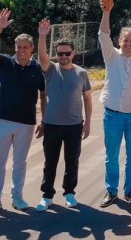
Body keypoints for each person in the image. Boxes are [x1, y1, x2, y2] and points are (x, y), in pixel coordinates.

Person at [0, 9, 46, 216]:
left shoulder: (38, 68)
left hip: (26, 122)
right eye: (18, 47)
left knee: (20, 163)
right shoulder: (6, 63)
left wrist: (44, 120)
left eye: (25, 47)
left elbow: (44, 96)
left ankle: (17, 197)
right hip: (3, 121)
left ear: (32, 49)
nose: (21, 50)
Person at [35, 20, 93, 211]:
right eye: (60, 54)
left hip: (74, 125)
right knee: (50, 161)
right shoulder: (50, 70)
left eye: (67, 53)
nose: (64, 57)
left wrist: (87, 124)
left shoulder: (82, 73)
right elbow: (42, 55)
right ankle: (47, 195)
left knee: (72, 161)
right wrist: (43, 34)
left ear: (73, 53)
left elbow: (87, 100)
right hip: (52, 124)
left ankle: (69, 193)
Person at [98, 1, 131, 207]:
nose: (128, 43)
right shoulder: (111, 56)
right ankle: (111, 191)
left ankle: (129, 190)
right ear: (119, 41)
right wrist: (107, 12)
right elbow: (103, 35)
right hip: (112, 115)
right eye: (125, 40)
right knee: (111, 156)